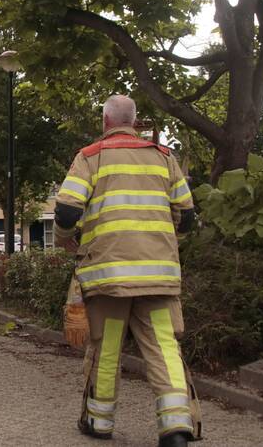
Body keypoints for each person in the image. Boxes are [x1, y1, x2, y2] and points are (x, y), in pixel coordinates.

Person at [54, 95, 201, 446]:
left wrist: (65, 240)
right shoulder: (165, 158)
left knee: (106, 348)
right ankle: (176, 427)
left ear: (105, 122)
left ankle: (100, 423)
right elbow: (189, 216)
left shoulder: (91, 157)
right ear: (134, 123)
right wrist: (164, 240)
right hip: (158, 277)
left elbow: (67, 211)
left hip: (110, 278)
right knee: (164, 347)